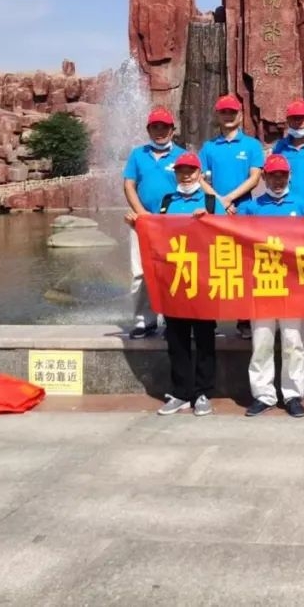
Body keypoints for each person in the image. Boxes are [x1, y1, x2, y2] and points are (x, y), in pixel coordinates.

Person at [127, 151, 226, 416]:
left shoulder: (211, 202)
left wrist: (210, 221)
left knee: (204, 338)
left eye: (191, 171)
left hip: (203, 280)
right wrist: (138, 224)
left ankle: (203, 392)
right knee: (176, 338)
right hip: (174, 280)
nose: (186, 176)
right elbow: (156, 234)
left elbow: (228, 236)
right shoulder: (167, 201)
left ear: (199, 174)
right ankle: (181, 392)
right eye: (181, 171)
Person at [237, 154, 304, 419]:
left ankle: (293, 395)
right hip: (262, 284)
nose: (278, 180)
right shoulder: (251, 208)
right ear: (264, 178)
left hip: (293, 285)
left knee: (293, 342)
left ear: (289, 176)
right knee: (262, 342)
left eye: (282, 175)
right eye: (273, 176)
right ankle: (263, 394)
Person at [199, 94, 264, 341]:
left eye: (232, 112)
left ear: (240, 114)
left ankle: (244, 319)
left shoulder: (252, 146)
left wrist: (229, 199)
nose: (228, 116)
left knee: (245, 266)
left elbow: (254, 177)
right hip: (216, 214)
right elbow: (199, 178)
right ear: (218, 115)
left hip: (244, 211)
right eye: (224, 112)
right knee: (215, 265)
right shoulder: (209, 147)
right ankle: (211, 318)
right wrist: (219, 201)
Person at [122, 108, 186, 338]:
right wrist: (142, 214)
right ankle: (144, 320)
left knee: (173, 271)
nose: (160, 131)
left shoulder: (182, 155)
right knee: (140, 272)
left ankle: (173, 320)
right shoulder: (137, 155)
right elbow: (129, 185)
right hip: (143, 222)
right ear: (148, 130)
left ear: (172, 130)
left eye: (164, 127)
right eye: (155, 127)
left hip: (173, 223)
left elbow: (192, 184)